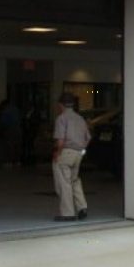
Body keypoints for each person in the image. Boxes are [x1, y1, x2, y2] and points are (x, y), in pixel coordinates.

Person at [52, 92, 91, 222]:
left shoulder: (62, 118)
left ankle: (67, 213)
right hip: (79, 154)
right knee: (74, 180)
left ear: (61, 105)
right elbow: (88, 138)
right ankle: (82, 207)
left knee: (64, 182)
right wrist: (81, 150)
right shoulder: (80, 118)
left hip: (66, 152)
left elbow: (61, 141)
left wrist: (57, 153)